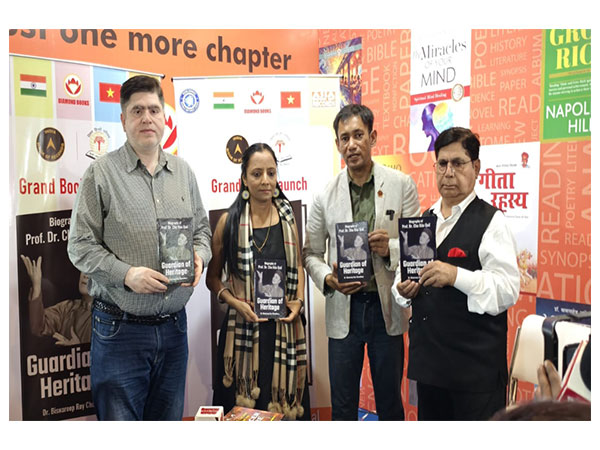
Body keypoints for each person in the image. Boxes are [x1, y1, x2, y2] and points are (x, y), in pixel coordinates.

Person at [67, 75, 212, 421]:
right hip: (120, 331)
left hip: (175, 330)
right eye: (137, 111)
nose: (147, 118)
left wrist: (199, 256)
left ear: (165, 117)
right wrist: (127, 275)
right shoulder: (101, 175)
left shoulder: (183, 172)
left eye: (153, 109)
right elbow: (79, 245)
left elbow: (203, 230)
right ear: (123, 120)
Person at [393, 126, 520, 420]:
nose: (449, 172)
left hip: (475, 374)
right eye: (442, 163)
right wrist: (401, 292)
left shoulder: (491, 221)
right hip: (430, 369)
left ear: (475, 167)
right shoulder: (423, 220)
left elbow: (507, 289)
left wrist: (456, 276)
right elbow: (403, 278)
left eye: (458, 163)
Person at [303, 104, 420, 420]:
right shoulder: (324, 195)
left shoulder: (401, 185)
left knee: (389, 403)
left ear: (373, 137)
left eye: (358, 135)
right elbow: (310, 254)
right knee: (342, 405)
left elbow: (418, 250)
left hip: (387, 310)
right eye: (344, 138)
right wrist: (329, 279)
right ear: (337, 144)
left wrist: (389, 249)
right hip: (344, 310)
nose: (351, 144)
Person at [206, 143, 310, 420]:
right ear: (244, 179)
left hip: (283, 332)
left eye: (271, 173)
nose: (265, 180)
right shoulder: (228, 222)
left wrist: (298, 302)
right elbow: (213, 279)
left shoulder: (288, 218)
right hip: (243, 331)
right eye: (257, 173)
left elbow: (298, 265)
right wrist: (235, 303)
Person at [20, 254, 92, 345]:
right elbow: (39, 327)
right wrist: (37, 286)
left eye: (91, 271)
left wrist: (80, 349)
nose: (85, 275)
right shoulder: (67, 308)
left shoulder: (108, 316)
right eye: (84, 268)